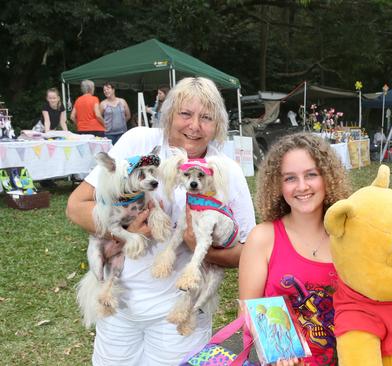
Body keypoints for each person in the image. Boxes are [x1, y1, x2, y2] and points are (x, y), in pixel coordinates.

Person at [66, 77, 256, 365]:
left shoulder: (226, 171)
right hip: (119, 306)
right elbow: (76, 206)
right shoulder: (138, 142)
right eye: (185, 114)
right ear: (168, 116)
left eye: (206, 118)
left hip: (180, 314)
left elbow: (249, 251)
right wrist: (126, 230)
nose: (194, 126)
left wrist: (202, 247)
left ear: (217, 125)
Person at [238, 132, 351, 365]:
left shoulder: (349, 238)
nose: (302, 186)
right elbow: (247, 313)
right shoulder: (263, 238)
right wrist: (276, 348)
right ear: (277, 185)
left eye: (311, 174)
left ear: (328, 177)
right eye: (290, 178)